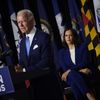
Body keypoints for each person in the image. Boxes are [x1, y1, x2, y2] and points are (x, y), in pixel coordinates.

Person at [16, 9, 63, 100]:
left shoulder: (43, 37)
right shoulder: (21, 42)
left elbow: (46, 62)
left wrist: (25, 70)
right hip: (33, 89)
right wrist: (17, 70)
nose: (20, 25)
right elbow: (22, 63)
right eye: (18, 22)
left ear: (32, 21)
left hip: (48, 86)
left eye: (23, 21)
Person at [58, 28, 98, 100]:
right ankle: (89, 94)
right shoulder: (61, 53)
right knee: (72, 75)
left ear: (74, 36)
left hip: (84, 74)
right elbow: (65, 68)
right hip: (75, 75)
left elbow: (84, 62)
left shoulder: (82, 47)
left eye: (70, 35)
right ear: (64, 37)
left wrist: (70, 70)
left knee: (73, 81)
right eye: (66, 35)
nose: (68, 37)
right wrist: (76, 70)